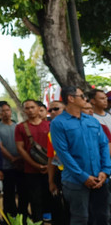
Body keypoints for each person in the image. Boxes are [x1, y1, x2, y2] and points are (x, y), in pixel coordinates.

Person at [51, 86, 111, 225]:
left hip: (100, 178)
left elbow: (103, 145)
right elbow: (63, 154)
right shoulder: (58, 123)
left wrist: (106, 171)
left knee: (103, 216)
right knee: (81, 219)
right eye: (82, 96)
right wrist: (83, 177)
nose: (85, 99)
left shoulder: (92, 121)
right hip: (75, 182)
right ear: (71, 99)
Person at [15, 99, 51, 223]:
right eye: (27, 108)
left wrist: (49, 165)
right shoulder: (20, 127)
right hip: (31, 170)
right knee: (35, 200)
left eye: (32, 107)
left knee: (53, 198)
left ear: (38, 108)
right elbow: (20, 149)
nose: (30, 110)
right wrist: (36, 165)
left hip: (51, 169)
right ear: (24, 110)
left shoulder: (49, 125)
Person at [0, 100, 24, 218]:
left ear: (11, 111)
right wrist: (12, 159)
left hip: (21, 165)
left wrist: (20, 158)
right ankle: (9, 216)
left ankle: (22, 214)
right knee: (9, 192)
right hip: (7, 165)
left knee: (22, 191)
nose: (6, 113)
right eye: (3, 111)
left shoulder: (18, 126)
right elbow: (0, 147)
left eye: (7, 110)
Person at [46, 101, 69, 225]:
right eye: (50, 110)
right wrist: (51, 181)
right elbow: (51, 159)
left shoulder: (78, 126)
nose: (52, 112)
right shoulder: (51, 133)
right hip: (62, 174)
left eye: (56, 109)